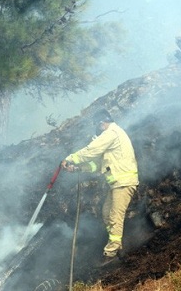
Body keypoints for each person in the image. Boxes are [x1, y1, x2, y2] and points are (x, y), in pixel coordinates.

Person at [61, 108, 139, 265]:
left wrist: (71, 158)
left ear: (102, 123)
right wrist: (78, 168)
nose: (98, 129)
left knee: (115, 216)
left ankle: (111, 254)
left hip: (124, 182)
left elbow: (92, 150)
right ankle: (118, 248)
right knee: (106, 213)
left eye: (98, 126)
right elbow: (96, 165)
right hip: (118, 183)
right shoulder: (113, 135)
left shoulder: (112, 133)